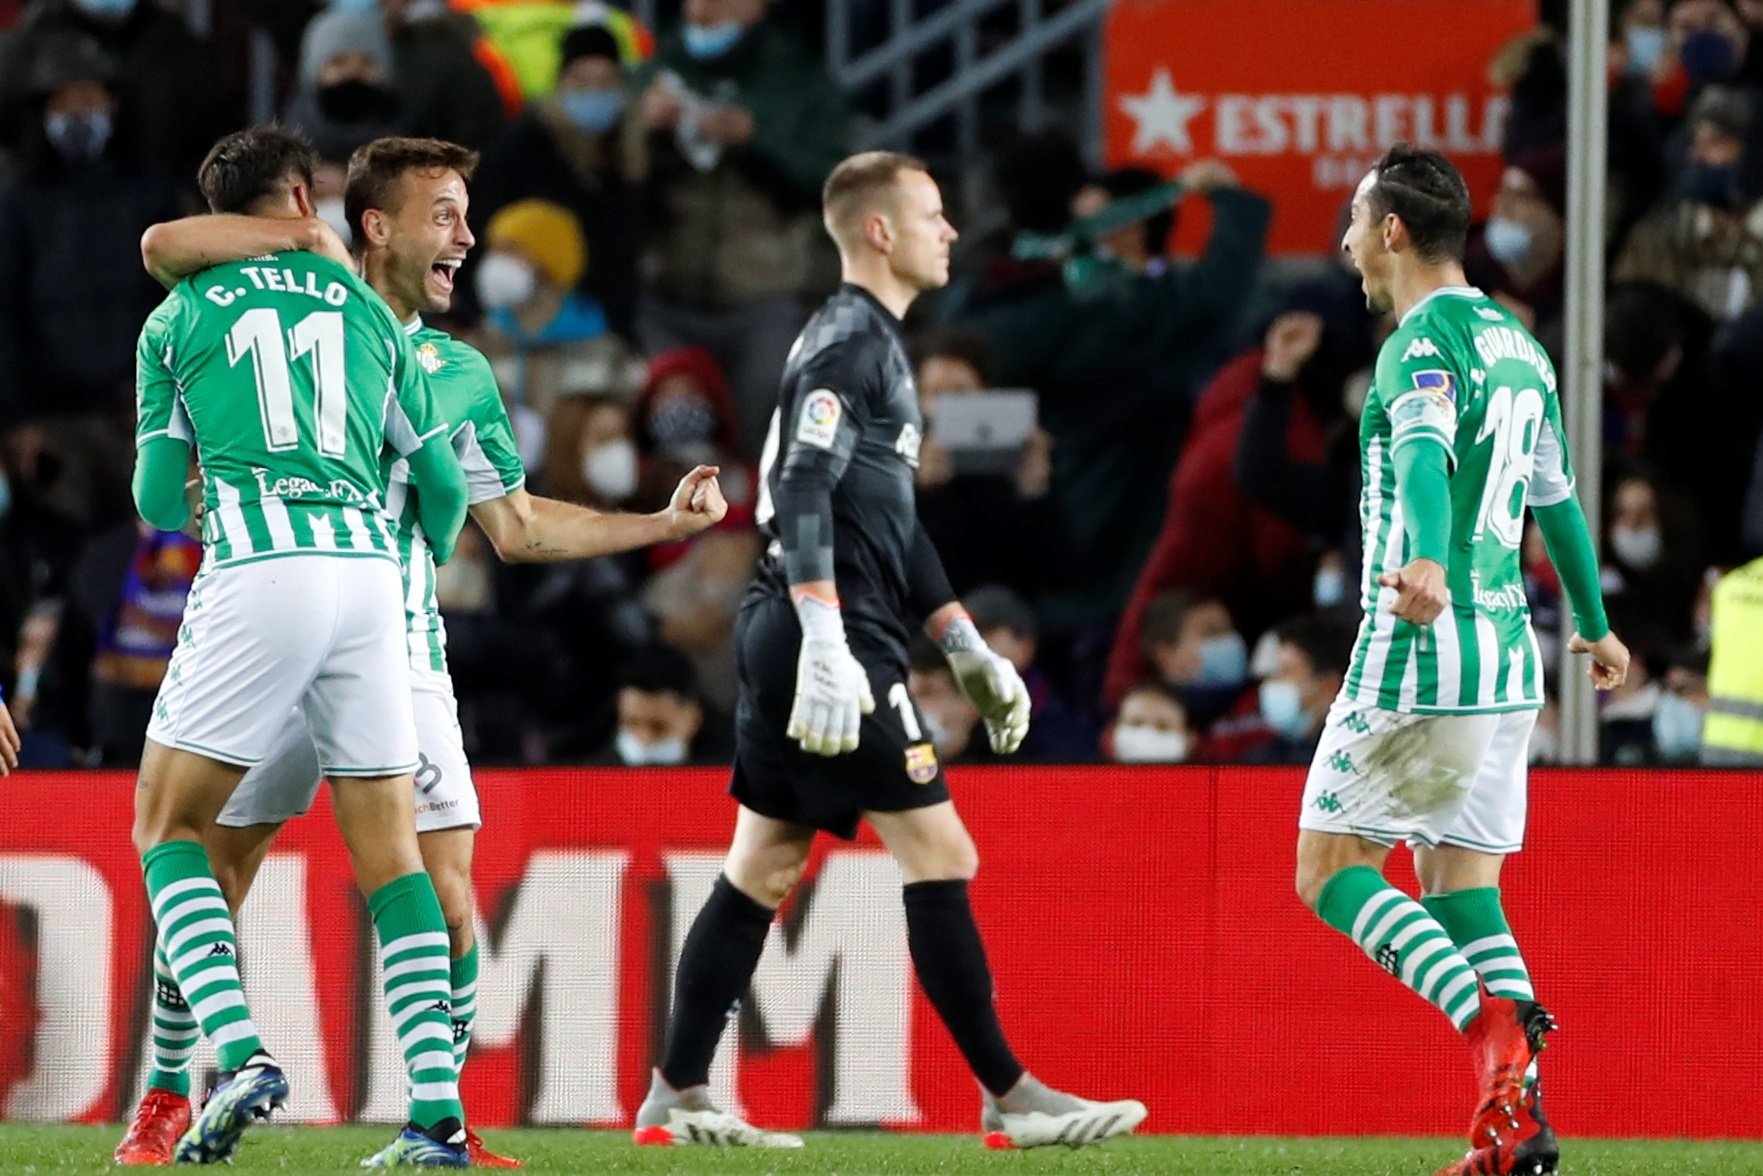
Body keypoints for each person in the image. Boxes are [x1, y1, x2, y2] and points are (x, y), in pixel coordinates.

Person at [118, 136, 730, 1167]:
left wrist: (658, 528)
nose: (466, 238)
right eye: (444, 215)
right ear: (373, 226)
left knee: (441, 892)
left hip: (384, 638)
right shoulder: (352, 321)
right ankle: (169, 1095)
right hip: (357, 605)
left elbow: (518, 524)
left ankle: (431, 1119)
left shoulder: (455, 366)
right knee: (219, 873)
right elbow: (444, 503)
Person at [632, 151, 1145, 1150]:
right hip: (825, 632)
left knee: (764, 863)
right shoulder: (846, 344)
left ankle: (678, 1088)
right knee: (939, 849)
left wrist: (961, 646)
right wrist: (826, 635)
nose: (948, 232)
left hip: (801, 624)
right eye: (932, 214)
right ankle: (1009, 1094)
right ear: (878, 230)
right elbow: (802, 488)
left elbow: (889, 521)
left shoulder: (872, 346)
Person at [125, 126, 471, 1167]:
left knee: (167, 828)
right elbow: (445, 493)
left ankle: (234, 1058)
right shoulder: (367, 310)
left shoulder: (177, 315)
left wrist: (207, 504)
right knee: (389, 856)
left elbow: (153, 502)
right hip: (372, 584)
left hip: (261, 571)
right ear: (298, 193)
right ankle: (436, 1117)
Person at [1300, 144, 1631, 1176]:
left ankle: (1492, 1031)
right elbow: (1557, 501)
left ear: (1391, 231)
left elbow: (1426, 453)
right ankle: (1517, 1124)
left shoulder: (1417, 346)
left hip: (1423, 645)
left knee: (1327, 870)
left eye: (1355, 221)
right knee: (1457, 890)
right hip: (1506, 662)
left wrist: (1425, 560)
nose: (1346, 240)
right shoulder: (1520, 344)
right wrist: (1593, 620)